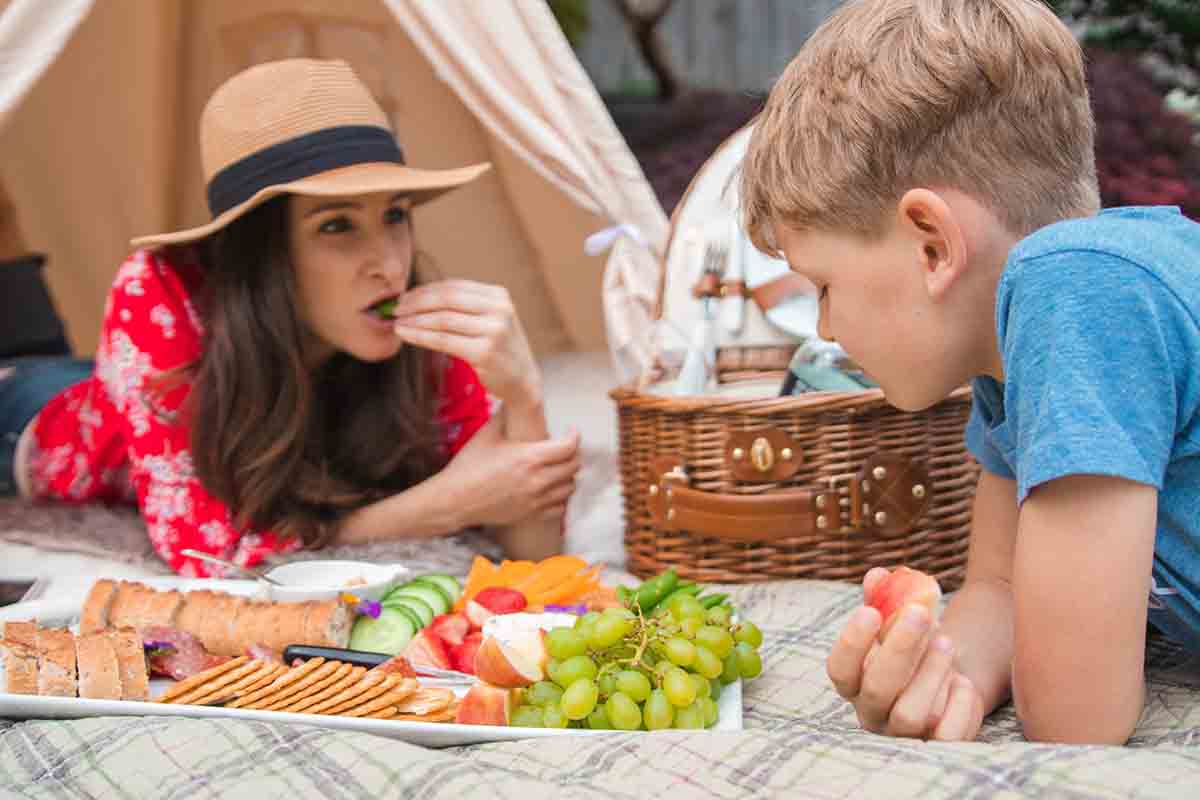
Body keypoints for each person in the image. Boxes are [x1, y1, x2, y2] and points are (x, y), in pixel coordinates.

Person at [739, 0, 1200, 745]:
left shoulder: (1078, 288)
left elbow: (1078, 723)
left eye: (822, 285)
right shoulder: (1015, 343)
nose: (824, 327)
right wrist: (945, 674)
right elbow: (1000, 587)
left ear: (932, 246)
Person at [0, 59, 580, 577]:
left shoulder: (418, 326)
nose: (388, 265)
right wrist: (444, 504)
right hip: (33, 418)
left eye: (395, 215)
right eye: (336, 225)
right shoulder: (160, 293)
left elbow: (537, 555)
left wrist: (522, 394)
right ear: (265, 253)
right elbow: (204, 552)